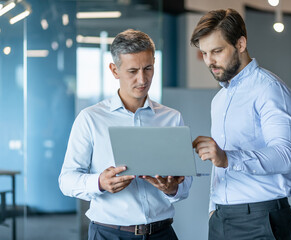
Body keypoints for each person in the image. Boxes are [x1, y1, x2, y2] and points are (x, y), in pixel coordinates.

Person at [59, 29, 192, 240]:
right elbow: (66, 180)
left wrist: (172, 188)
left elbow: (185, 186)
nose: (142, 79)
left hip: (162, 233)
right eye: (132, 71)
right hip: (110, 234)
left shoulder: (171, 118)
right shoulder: (90, 119)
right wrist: (100, 183)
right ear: (114, 70)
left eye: (148, 68)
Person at [191, 8, 291, 240]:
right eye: (205, 53)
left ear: (240, 44)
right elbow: (218, 164)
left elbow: (284, 155)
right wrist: (213, 209)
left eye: (217, 51)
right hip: (221, 218)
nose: (209, 61)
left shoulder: (269, 89)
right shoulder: (219, 99)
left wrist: (229, 158)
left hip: (261, 220)